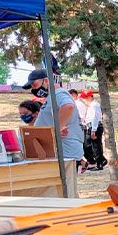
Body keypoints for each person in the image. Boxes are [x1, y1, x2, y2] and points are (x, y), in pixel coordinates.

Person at [22, 69, 83, 197]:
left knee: (66, 191)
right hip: (60, 151)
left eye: (34, 84)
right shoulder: (51, 97)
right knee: (62, 190)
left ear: (46, 80)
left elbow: (68, 106)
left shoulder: (58, 93)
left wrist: (57, 128)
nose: (33, 89)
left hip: (65, 151)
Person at [80, 90, 107, 170]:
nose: (84, 100)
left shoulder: (94, 105)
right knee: (88, 145)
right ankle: (101, 160)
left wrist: (93, 130)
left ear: (88, 97)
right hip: (91, 126)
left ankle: (99, 164)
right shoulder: (91, 106)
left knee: (96, 146)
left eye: (84, 98)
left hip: (94, 127)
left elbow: (95, 118)